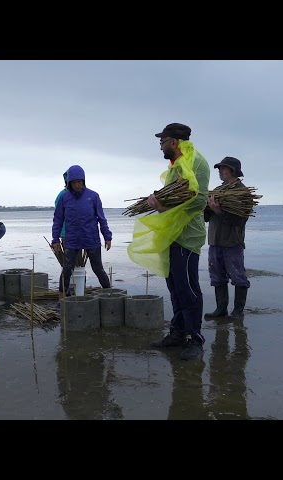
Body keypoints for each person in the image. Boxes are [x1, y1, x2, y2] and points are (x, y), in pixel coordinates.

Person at [127, 123, 210, 361]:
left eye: (162, 141)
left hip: (187, 236)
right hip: (171, 234)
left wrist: (162, 207)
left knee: (188, 288)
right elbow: (174, 198)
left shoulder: (197, 162)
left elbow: (199, 200)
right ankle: (178, 333)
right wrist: (161, 205)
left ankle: (196, 339)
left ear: (174, 142)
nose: (160, 146)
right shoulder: (175, 167)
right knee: (174, 286)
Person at [51, 164, 112, 300]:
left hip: (91, 238)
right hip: (72, 239)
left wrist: (107, 236)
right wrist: (55, 239)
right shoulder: (64, 198)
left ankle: (110, 295)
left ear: (83, 181)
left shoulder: (93, 196)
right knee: (67, 268)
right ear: (69, 183)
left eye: (79, 182)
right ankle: (62, 299)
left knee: (98, 268)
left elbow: (101, 218)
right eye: (74, 182)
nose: (77, 185)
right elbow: (58, 220)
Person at [203, 156, 250, 321]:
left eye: (223, 168)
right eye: (219, 168)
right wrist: (205, 207)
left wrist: (218, 211)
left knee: (238, 277)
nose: (220, 171)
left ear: (232, 170)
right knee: (217, 276)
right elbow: (206, 218)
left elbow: (239, 221)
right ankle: (221, 309)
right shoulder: (217, 190)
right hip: (215, 241)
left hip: (232, 242)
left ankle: (238, 312)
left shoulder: (243, 193)